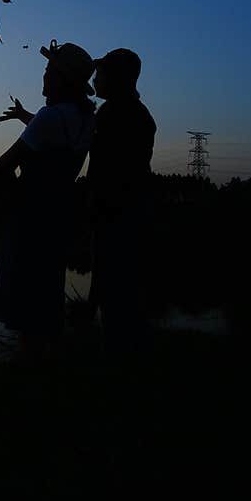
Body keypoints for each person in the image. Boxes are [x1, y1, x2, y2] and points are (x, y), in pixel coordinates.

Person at [0, 39, 96, 359]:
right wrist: (25, 115)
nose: (43, 76)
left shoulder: (50, 117)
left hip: (28, 217)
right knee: (46, 295)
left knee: (24, 302)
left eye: (47, 70)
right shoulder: (84, 119)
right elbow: (53, 133)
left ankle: (29, 375)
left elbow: (7, 162)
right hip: (57, 216)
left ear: (59, 78)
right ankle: (47, 369)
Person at [86, 48, 157, 355]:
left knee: (117, 297)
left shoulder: (116, 114)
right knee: (121, 297)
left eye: (100, 73)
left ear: (115, 78)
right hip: (126, 214)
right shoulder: (129, 111)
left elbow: (108, 171)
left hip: (118, 216)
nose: (94, 78)